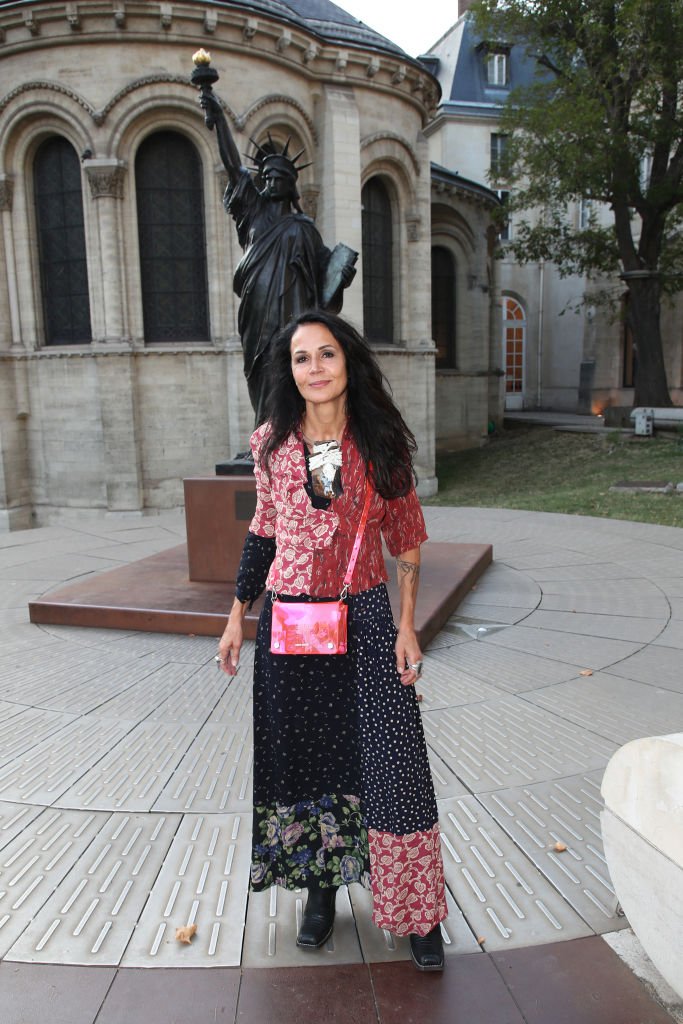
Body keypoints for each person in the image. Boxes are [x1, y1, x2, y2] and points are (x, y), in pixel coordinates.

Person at [217, 309, 447, 971]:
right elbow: (263, 531)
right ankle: (319, 893)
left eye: (326, 355)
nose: (314, 368)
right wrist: (238, 612)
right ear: (287, 371)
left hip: (369, 621)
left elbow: (405, 537)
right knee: (309, 760)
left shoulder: (378, 443)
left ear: (347, 363)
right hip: (292, 625)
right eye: (300, 358)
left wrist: (406, 624)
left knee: (395, 764)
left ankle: (415, 910)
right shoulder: (270, 443)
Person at [199, 90, 356, 426]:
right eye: (266, 178)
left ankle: (293, 431)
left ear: (291, 185)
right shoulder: (254, 214)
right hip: (257, 309)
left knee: (289, 368)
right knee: (259, 368)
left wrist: (342, 271)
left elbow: (325, 270)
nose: (270, 183)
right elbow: (234, 167)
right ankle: (265, 434)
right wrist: (219, 121)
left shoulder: (304, 227)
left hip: (294, 311)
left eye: (277, 179)